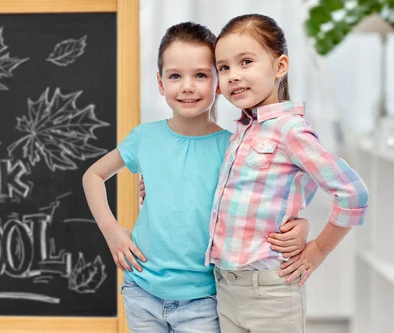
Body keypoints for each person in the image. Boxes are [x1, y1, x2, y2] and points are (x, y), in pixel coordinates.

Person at [141, 14, 370, 333]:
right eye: (224, 67)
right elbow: (280, 188)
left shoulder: (290, 131)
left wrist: (318, 249)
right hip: (226, 290)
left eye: (245, 61)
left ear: (280, 66)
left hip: (271, 293)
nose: (233, 76)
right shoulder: (242, 133)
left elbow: (352, 193)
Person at [82, 21, 309, 333]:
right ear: (160, 83)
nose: (187, 86)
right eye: (175, 76)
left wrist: (301, 223)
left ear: (218, 82)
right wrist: (111, 231)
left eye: (200, 75)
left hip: (206, 299)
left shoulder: (234, 146)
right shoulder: (144, 138)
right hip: (141, 290)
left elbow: (269, 198)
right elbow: (93, 175)